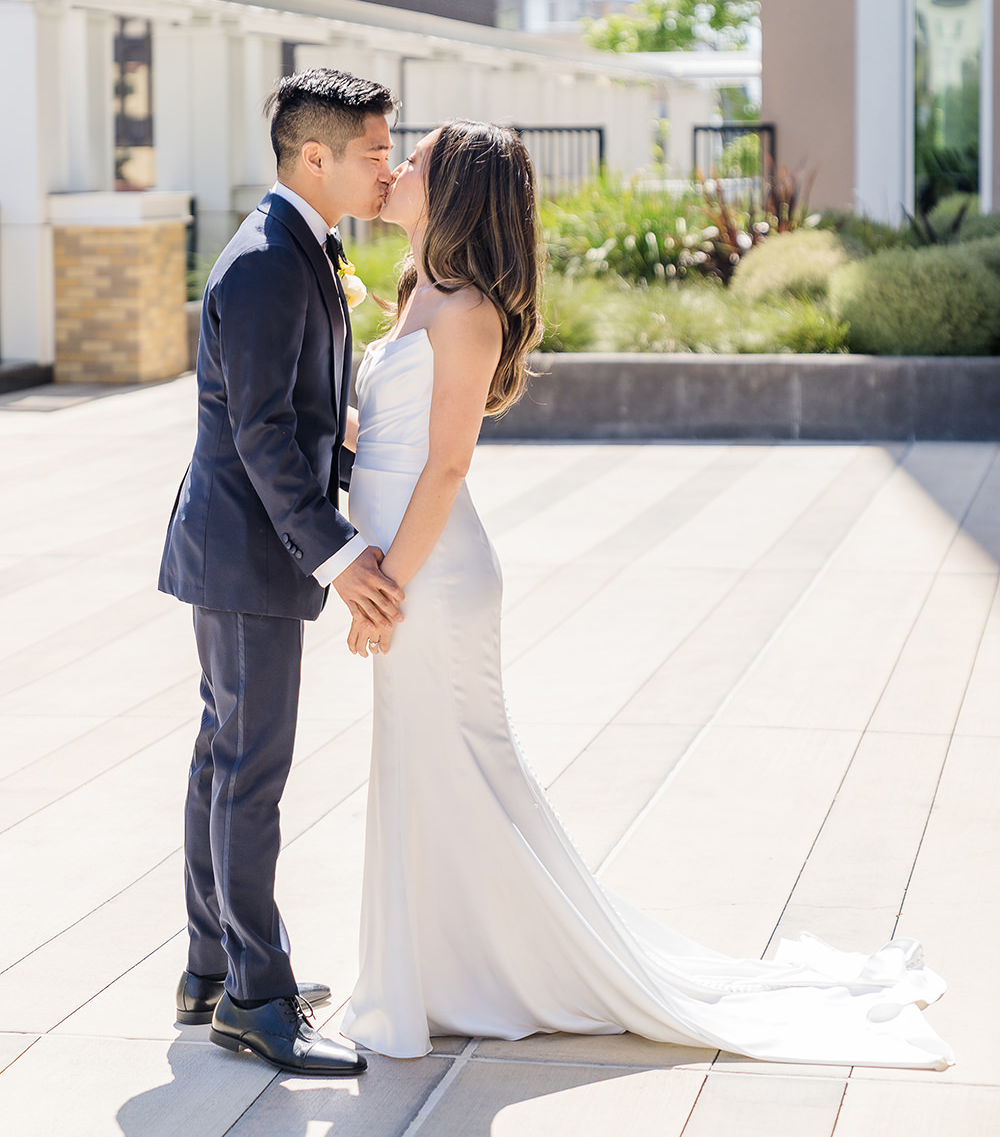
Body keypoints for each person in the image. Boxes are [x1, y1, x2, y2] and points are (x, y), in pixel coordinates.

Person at [338, 120, 955, 1071]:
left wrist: (387, 584)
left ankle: (504, 970)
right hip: (400, 568)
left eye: (415, 158)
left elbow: (448, 464)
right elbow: (380, 436)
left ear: (454, 189)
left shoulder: (465, 312)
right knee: (430, 773)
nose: (398, 166)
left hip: (434, 576)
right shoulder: (421, 295)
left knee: (461, 769)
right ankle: (449, 969)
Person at [159, 68, 405, 1077]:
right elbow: (261, 436)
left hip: (238, 547)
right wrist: (341, 553)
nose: (389, 169)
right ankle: (255, 1000)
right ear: (317, 157)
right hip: (245, 551)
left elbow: (302, 419)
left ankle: (213, 971)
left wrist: (349, 464)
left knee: (226, 754)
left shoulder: (305, 246)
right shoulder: (266, 261)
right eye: (376, 153)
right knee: (249, 769)